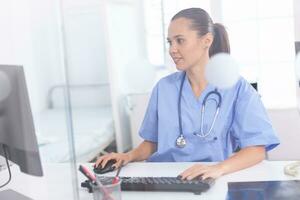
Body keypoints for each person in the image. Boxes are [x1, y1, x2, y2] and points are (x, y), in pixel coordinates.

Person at [95, 7, 279, 180]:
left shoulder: (236, 87)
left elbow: (256, 149)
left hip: (207, 178)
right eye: (170, 42)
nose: (172, 49)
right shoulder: (164, 88)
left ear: (207, 40)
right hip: (165, 178)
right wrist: (128, 156)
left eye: (180, 40)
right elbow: (152, 142)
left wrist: (218, 169)